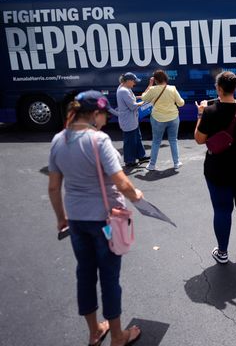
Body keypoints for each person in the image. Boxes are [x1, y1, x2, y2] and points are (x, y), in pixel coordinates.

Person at [48, 90, 143, 346]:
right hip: (105, 220)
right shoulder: (99, 141)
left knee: (85, 275)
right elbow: (121, 182)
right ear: (94, 114)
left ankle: (94, 332)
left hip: (77, 221)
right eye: (104, 115)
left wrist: (61, 218)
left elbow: (54, 187)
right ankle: (117, 336)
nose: (106, 120)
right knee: (110, 278)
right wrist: (136, 195)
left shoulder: (58, 140)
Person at [194, 71, 236, 264]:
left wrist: (200, 113)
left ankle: (222, 253)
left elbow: (199, 139)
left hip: (219, 170)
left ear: (219, 89)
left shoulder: (210, 111)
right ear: (235, 88)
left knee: (222, 210)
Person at [141, 69, 185, 170]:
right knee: (173, 140)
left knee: (156, 141)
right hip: (173, 117)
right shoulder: (172, 89)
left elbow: (144, 98)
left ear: (155, 80)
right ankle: (176, 163)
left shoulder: (153, 89)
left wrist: (150, 84)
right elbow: (181, 103)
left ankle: (152, 165)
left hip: (158, 118)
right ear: (165, 78)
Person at [116, 72, 149, 168]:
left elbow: (132, 99)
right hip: (128, 121)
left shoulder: (124, 88)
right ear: (128, 81)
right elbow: (132, 106)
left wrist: (139, 97)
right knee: (129, 141)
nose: (135, 83)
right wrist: (143, 102)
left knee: (137, 138)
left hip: (131, 120)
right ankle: (129, 161)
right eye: (133, 81)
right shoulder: (124, 91)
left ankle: (141, 156)